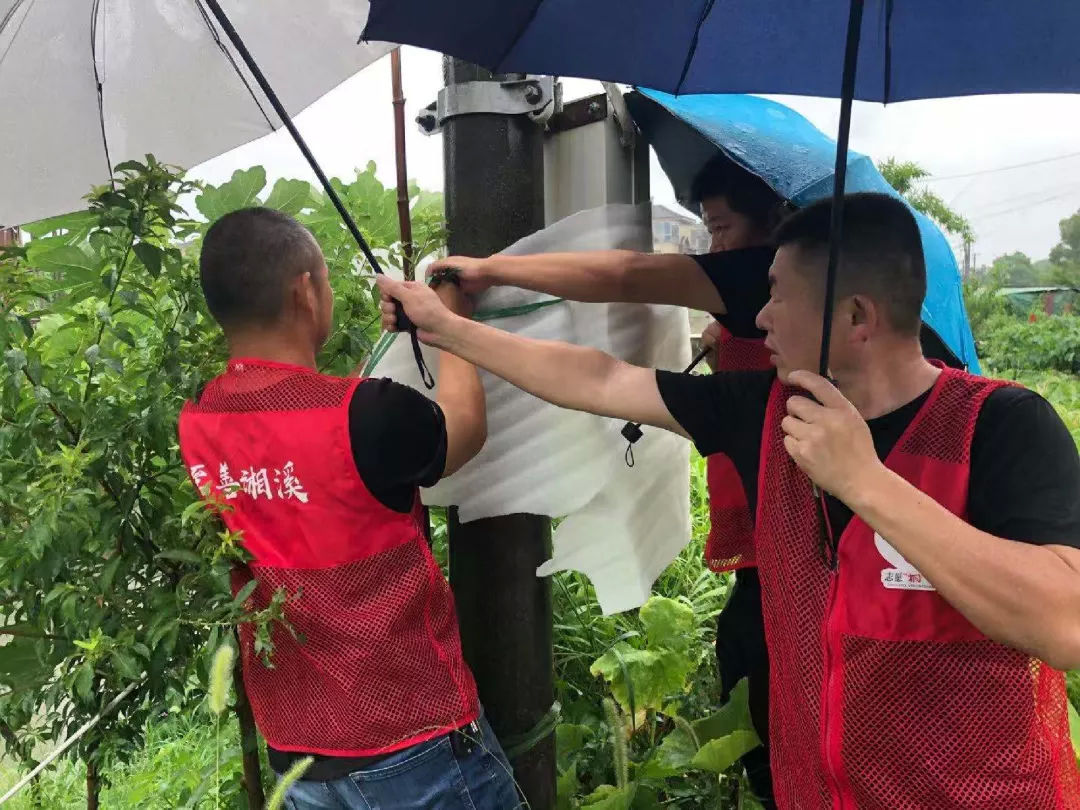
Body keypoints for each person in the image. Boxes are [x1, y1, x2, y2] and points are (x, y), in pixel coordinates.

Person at [380, 192, 1080, 809]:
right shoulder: (769, 413)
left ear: (857, 315)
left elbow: (1066, 623)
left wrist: (866, 483)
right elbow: (599, 380)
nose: (761, 317)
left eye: (777, 294)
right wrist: (446, 328)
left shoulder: (1001, 425)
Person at [430, 155, 785, 805]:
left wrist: (482, 277)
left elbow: (627, 275)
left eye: (725, 227)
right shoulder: (759, 394)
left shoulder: (762, 300)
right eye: (709, 229)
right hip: (770, 552)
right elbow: (601, 380)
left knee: (766, 675)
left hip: (805, 597)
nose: (717, 248)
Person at [177, 208, 519, 810]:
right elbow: (462, 431)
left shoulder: (199, 419)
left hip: (299, 757)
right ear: (305, 292)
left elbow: (317, 426)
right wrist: (452, 323)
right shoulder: (365, 416)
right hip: (414, 741)